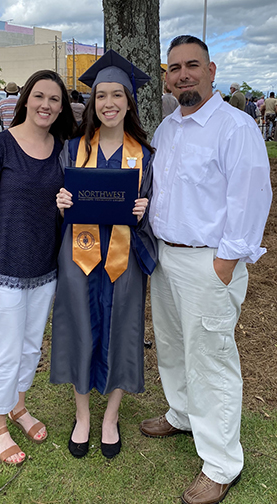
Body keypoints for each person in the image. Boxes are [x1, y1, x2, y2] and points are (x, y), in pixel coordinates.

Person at [143, 34, 272, 504]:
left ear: (211, 70)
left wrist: (226, 259)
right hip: (166, 256)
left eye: (191, 65)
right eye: (174, 68)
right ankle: (181, 412)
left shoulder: (235, 127)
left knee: (212, 358)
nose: (182, 75)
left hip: (208, 261)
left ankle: (220, 464)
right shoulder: (168, 129)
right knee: (174, 345)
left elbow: (252, 197)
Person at [50, 50, 157, 460]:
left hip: (125, 258)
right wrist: (60, 202)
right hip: (78, 256)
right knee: (79, 323)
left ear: (130, 102)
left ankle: (110, 415)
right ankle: (82, 415)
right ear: (92, 103)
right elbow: (59, 205)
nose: (109, 103)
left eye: (118, 95)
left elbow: (157, 210)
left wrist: (147, 208)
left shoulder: (145, 155)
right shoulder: (72, 149)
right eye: (101, 96)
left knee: (123, 328)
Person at [0, 69, 77, 466]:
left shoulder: (62, 149)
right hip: (6, 269)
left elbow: (63, 206)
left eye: (54, 99)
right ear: (26, 100)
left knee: (31, 347)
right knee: (7, 349)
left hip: (45, 269)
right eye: (40, 96)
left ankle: (17, 405)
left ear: (61, 107)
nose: (46, 105)